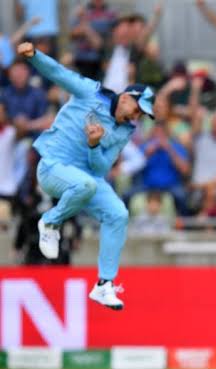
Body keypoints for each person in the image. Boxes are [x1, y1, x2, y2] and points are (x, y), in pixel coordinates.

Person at [17, 41, 156, 311]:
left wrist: (93, 146)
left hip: (85, 180)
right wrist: (34, 56)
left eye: (142, 115)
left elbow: (102, 168)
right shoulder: (91, 92)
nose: (137, 117)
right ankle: (50, 222)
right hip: (52, 168)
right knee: (86, 184)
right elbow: (58, 73)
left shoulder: (125, 130)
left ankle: (104, 285)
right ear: (126, 97)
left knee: (118, 213)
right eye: (138, 110)